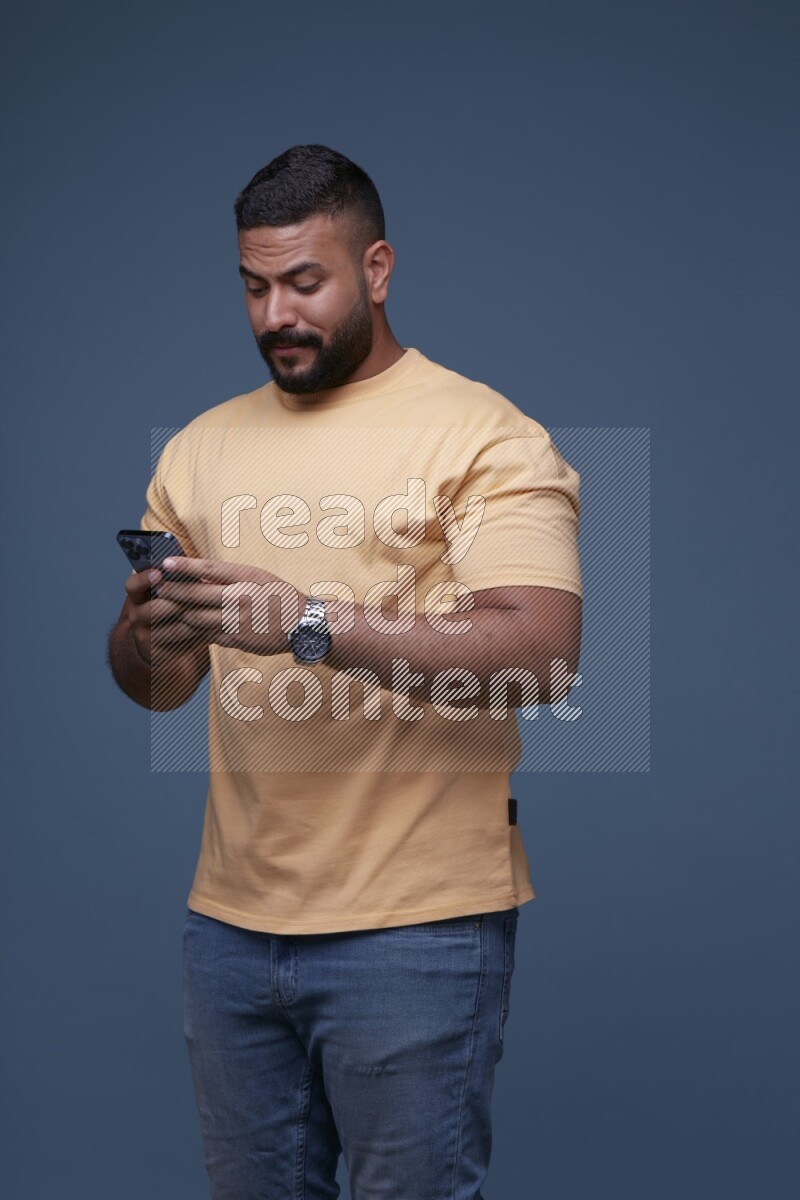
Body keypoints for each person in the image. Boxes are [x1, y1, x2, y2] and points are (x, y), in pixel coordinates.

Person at [107, 144, 583, 1200]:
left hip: (416, 929)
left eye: (304, 282)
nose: (276, 313)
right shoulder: (197, 448)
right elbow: (159, 688)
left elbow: (542, 657)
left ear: (376, 270)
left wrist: (308, 623)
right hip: (229, 927)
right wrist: (151, 632)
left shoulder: (485, 436)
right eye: (254, 286)